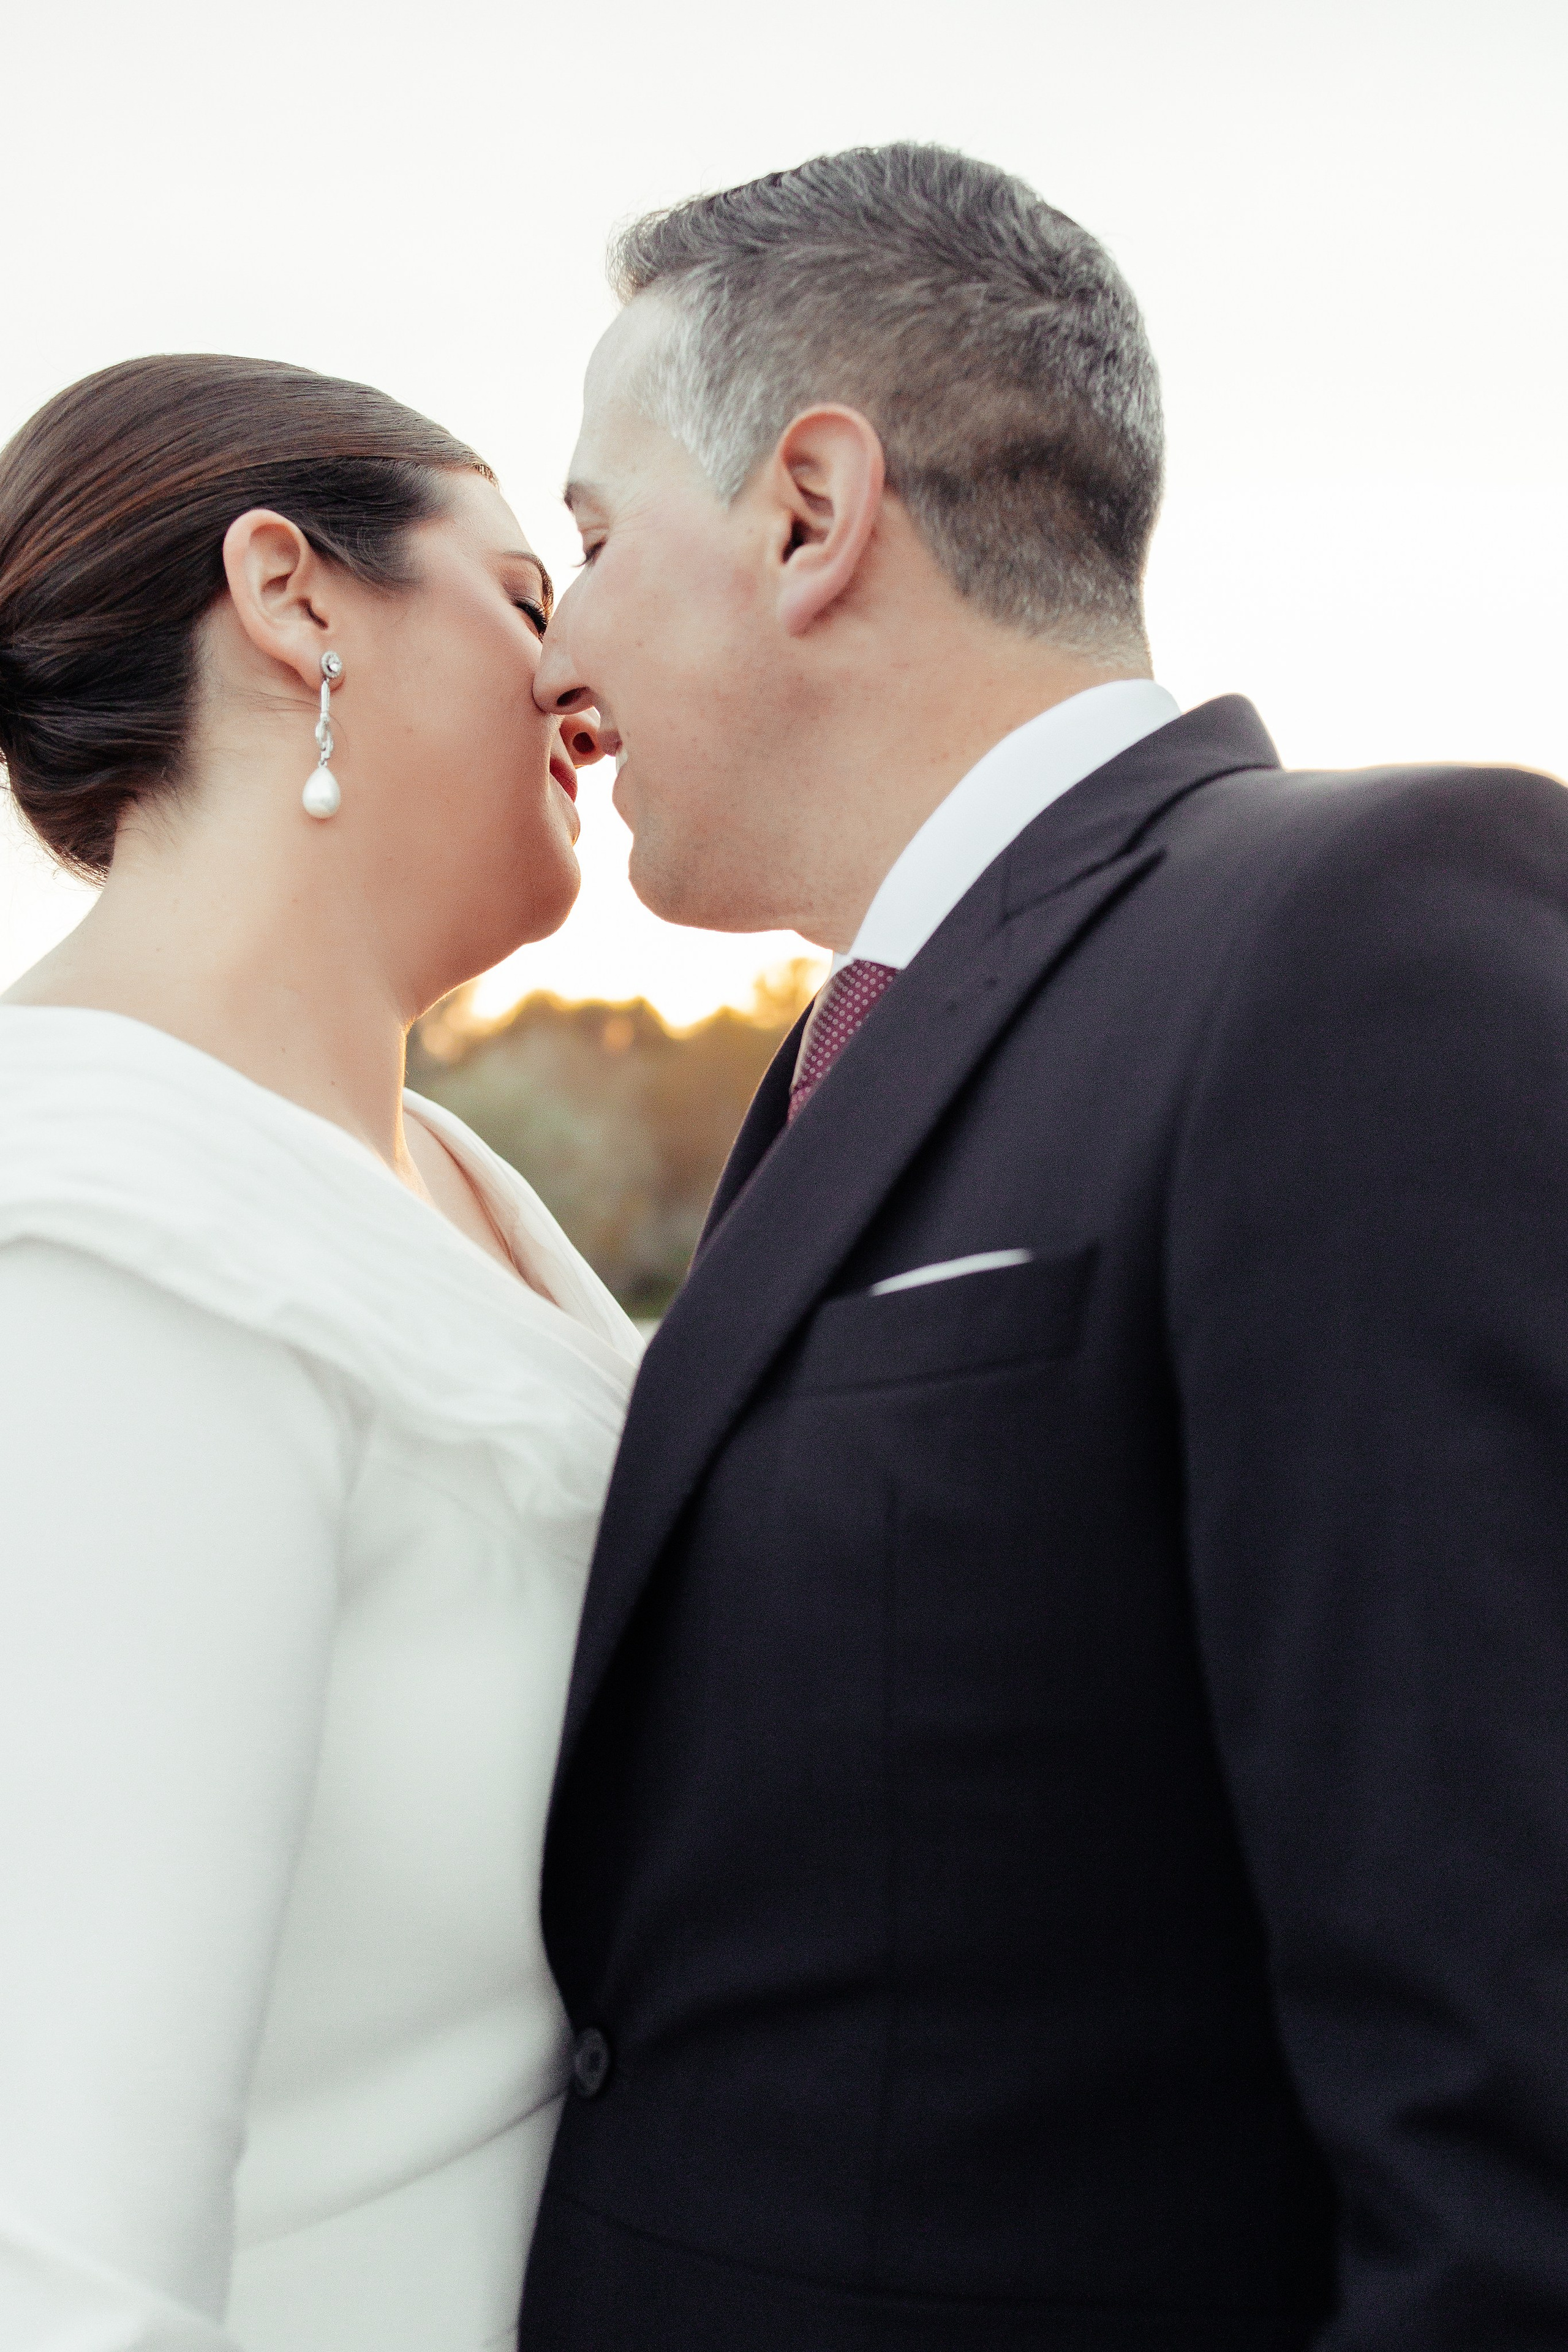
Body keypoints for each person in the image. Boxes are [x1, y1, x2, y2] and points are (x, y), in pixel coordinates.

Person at [522, 143, 1568, 2350]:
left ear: (812, 511)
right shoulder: (844, 1062)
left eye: (595, 541)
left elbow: (1511, 2081)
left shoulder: (1356, 936)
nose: (562, 646)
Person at [0, 355, 640, 2352]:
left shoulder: (450, 1184)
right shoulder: (106, 1235)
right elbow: (54, 2238)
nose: (593, 685)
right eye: (528, 601)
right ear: (292, 597)